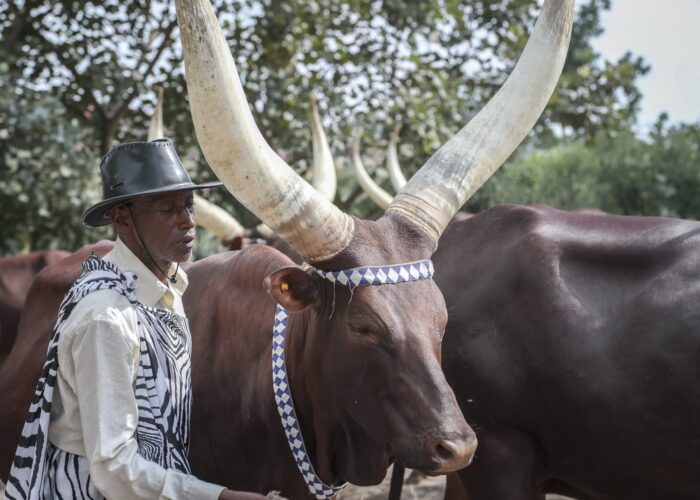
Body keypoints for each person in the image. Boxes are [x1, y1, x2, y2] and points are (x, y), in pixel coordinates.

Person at [6, 140, 269, 500]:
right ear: (121, 219)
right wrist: (221, 497)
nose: (189, 221)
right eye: (167, 209)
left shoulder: (167, 292)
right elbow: (113, 467)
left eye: (189, 205)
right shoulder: (106, 320)